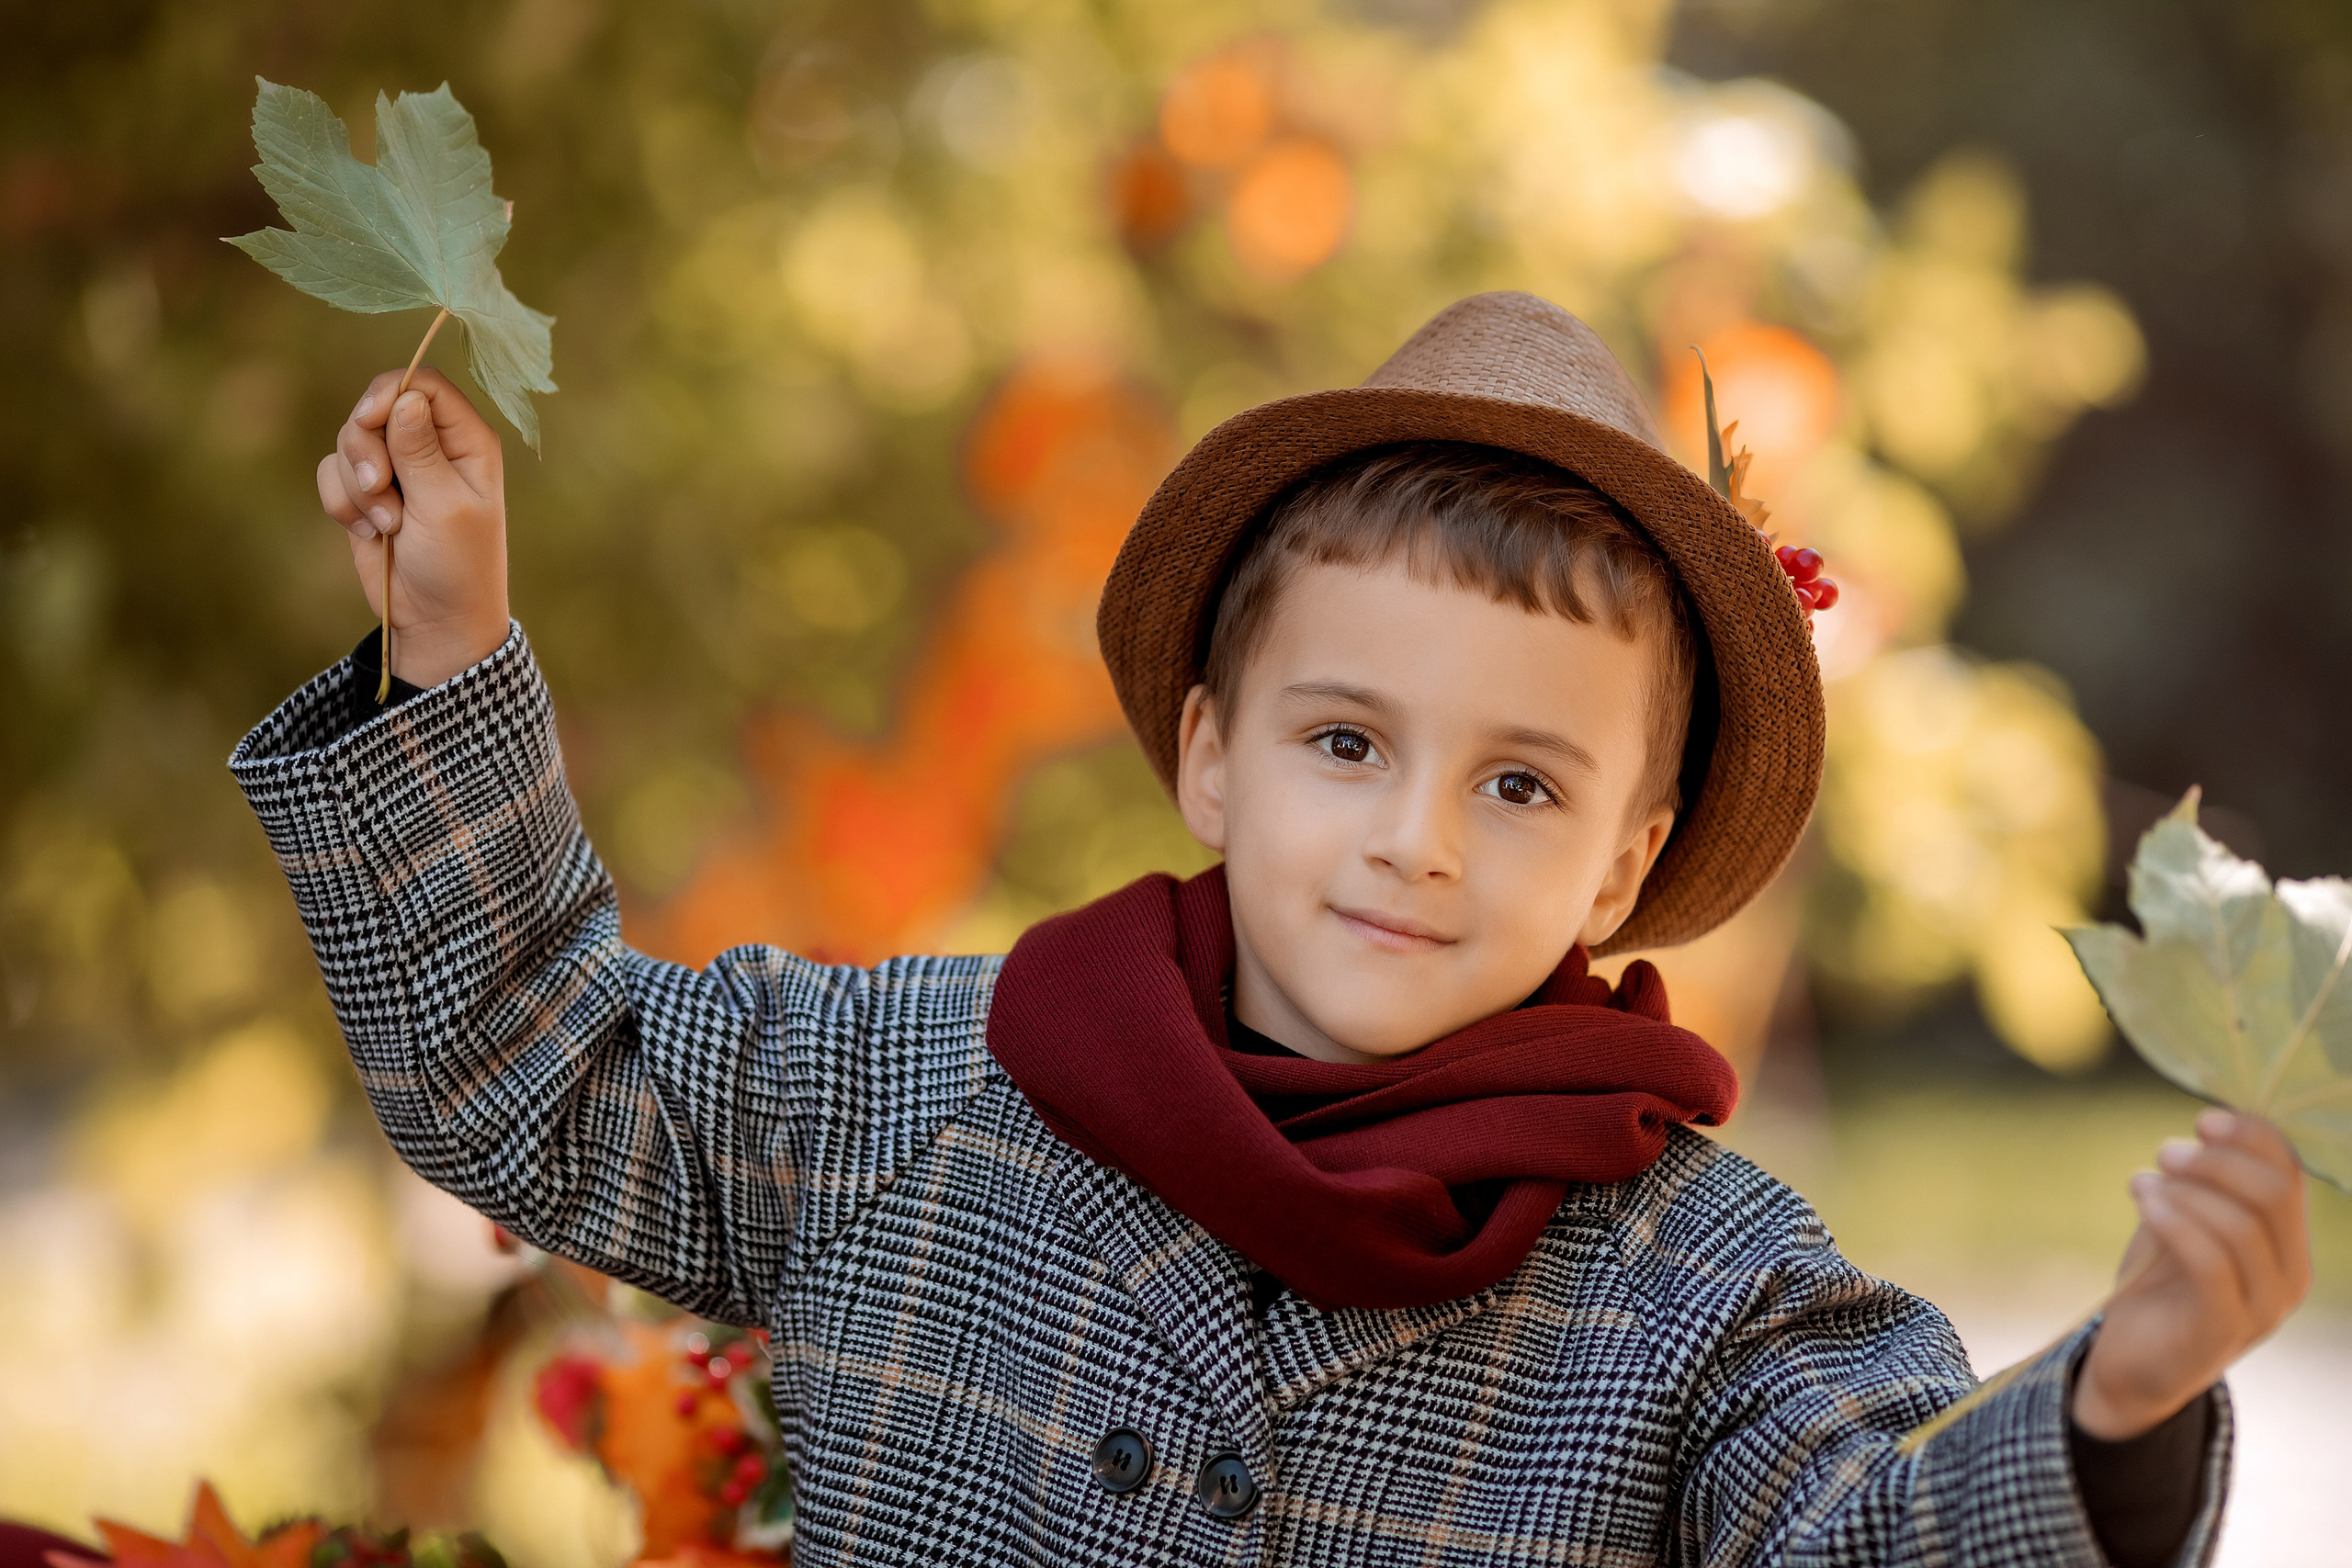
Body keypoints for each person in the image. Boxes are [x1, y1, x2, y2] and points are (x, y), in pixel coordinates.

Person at [236, 291, 2308, 1564]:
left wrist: (2108, 1421)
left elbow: (1865, 1544)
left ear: (1617, 860)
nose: (1416, 838)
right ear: (1212, 757)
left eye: (1519, 783)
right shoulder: (903, 1097)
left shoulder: (1714, 1297)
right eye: (1346, 739)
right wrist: (449, 647)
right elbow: (529, 1062)